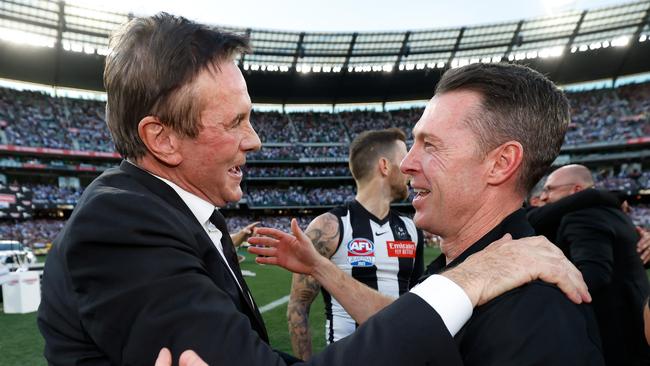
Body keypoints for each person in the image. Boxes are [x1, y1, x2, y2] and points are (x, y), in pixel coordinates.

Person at [36, 13, 589, 366]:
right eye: (234, 122)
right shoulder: (123, 224)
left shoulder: (538, 302)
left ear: (501, 163)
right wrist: (471, 279)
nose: (254, 140)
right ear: (162, 138)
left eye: (432, 145)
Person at [249, 63, 604, 366]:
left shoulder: (535, 313)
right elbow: (407, 324)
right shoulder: (462, 268)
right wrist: (319, 266)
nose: (406, 164)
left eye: (430, 145)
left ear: (501, 163)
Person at [287, 128, 424, 359]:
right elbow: (298, 305)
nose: (410, 168)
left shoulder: (412, 228)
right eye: (404, 159)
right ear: (384, 166)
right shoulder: (330, 227)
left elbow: (418, 301)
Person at [528, 164, 650, 365]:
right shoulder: (617, 214)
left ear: (575, 191)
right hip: (636, 326)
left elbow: (593, 276)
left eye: (549, 189)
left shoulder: (581, 216)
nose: (543, 197)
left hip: (611, 336)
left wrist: (541, 297)